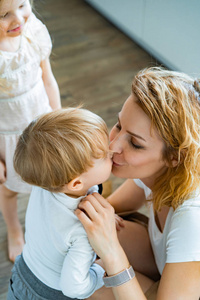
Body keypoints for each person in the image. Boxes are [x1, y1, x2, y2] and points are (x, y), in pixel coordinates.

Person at [75, 67, 200, 300]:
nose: (113, 146)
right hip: (168, 266)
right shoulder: (158, 172)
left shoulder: (192, 220)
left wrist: (111, 253)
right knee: (83, 235)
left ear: (176, 157)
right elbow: (111, 209)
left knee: (91, 285)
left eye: (135, 143)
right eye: (119, 125)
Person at [7, 107, 115, 300]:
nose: (113, 151)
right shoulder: (83, 229)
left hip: (23, 272)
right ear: (76, 183)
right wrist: (100, 270)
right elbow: (74, 288)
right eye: (105, 155)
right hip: (50, 294)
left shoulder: (47, 183)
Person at [0, 0, 61, 262]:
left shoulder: (33, 31)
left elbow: (47, 77)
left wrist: (59, 119)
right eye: (4, 15)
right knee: (8, 189)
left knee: (49, 181)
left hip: (41, 121)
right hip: (7, 134)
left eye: (23, 5)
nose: (18, 20)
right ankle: (14, 230)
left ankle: (49, 226)